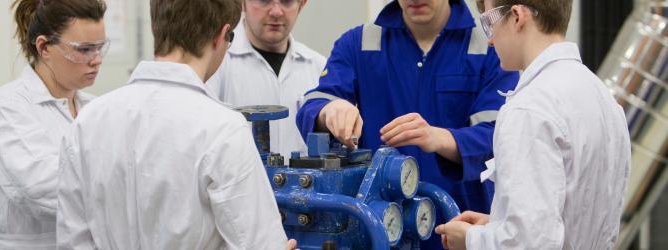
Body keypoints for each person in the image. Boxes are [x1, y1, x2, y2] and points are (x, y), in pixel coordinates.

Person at [55, 0, 293, 249]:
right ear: (221, 36)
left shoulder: (87, 122)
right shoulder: (224, 129)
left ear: (156, 28)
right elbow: (260, 244)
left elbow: (73, 242)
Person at [296, 0, 519, 248]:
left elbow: (502, 137)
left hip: (460, 229)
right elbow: (315, 103)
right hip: (378, 232)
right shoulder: (358, 43)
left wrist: (442, 138)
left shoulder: (490, 49)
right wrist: (329, 110)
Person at [434, 0, 631, 249]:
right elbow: (566, 217)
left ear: (517, 16)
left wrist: (471, 239)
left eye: (490, 22)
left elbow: (531, 242)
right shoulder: (601, 96)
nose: (490, 40)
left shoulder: (529, 109)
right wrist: (500, 224)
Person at [0, 0, 107, 249]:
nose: (97, 60)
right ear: (44, 47)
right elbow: (41, 187)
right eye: (85, 49)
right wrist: (118, 183)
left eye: (100, 48)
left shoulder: (96, 109)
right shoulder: (7, 108)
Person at [207, 0, 326, 162]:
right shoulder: (215, 63)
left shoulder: (318, 67)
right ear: (242, 3)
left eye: (287, 1)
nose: (276, 12)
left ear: (302, 4)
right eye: (264, 0)